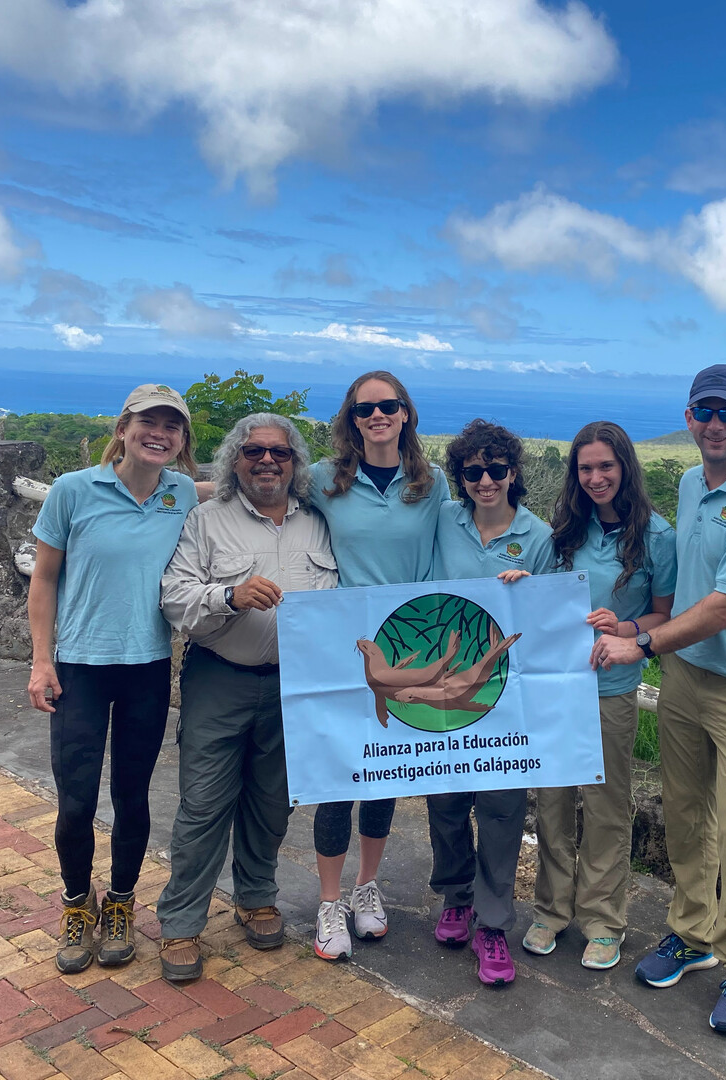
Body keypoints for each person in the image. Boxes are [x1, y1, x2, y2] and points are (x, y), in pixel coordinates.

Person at [591, 364, 726, 1037]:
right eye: (703, 412)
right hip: (686, 678)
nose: (715, 424)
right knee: (685, 815)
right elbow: (683, 589)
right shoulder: (689, 482)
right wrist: (633, 627)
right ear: (688, 418)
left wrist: (643, 647)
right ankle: (692, 934)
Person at [155, 414, 337, 982]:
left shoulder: (319, 524)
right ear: (235, 460)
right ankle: (182, 922)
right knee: (204, 803)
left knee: (272, 800)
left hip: (295, 684)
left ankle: (256, 895)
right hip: (220, 676)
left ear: (295, 463)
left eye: (279, 453)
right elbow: (174, 598)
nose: (267, 461)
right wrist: (229, 595)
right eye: (254, 451)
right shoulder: (206, 522)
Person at [26, 383, 199, 975]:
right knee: (75, 801)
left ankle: (121, 901)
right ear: (123, 428)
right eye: (148, 422)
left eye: (172, 427)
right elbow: (44, 578)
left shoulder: (181, 493)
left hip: (148, 666)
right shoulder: (73, 491)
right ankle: (78, 903)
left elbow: (239, 490)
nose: (160, 434)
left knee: (132, 795)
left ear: (181, 441)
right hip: (78, 666)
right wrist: (41, 659)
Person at [305, 371, 450, 961]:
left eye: (388, 406)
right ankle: (329, 900)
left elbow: (464, 541)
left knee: (388, 773)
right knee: (339, 777)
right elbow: (255, 489)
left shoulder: (432, 483)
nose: (378, 416)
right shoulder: (322, 479)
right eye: (366, 409)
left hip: (409, 643)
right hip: (345, 643)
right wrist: (182, 493)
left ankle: (368, 888)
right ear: (352, 418)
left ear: (406, 413)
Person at [523, 421, 676, 970]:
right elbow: (540, 602)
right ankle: (550, 910)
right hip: (555, 688)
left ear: (625, 468)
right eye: (585, 468)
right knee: (553, 802)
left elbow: (666, 615)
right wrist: (519, 582)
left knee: (607, 806)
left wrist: (626, 627)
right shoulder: (562, 530)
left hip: (610, 690)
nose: (595, 478)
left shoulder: (657, 537)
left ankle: (604, 920)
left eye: (605, 466)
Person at [428, 419, 555, 987]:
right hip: (445, 691)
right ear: (460, 476)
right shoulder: (441, 523)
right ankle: (456, 897)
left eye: (496, 469)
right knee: (447, 800)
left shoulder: (540, 536)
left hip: (507, 695)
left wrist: (530, 589)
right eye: (472, 471)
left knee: (502, 810)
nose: (485, 480)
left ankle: (494, 923)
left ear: (513, 473)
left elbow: (551, 617)